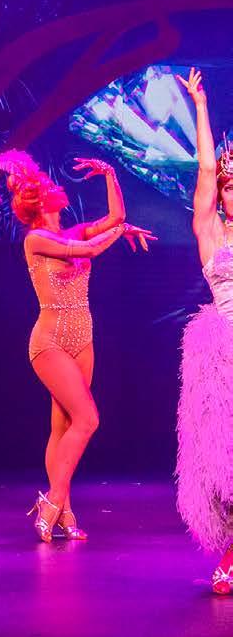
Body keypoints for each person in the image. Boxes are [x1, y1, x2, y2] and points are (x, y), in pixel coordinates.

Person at [0, 150, 154, 541]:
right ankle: (52, 501)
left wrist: (110, 173)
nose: (57, 188)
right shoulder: (36, 240)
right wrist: (119, 232)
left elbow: (115, 217)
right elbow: (89, 250)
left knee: (63, 426)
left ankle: (65, 512)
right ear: (38, 202)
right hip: (49, 340)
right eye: (49, 187)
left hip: (83, 338)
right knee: (88, 419)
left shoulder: (75, 231)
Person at [174, 68, 233, 594]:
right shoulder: (209, 230)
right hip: (220, 355)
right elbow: (208, 167)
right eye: (230, 187)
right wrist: (200, 105)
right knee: (223, 465)